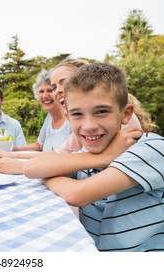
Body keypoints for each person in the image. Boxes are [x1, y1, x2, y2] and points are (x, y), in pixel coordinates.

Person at [23, 63, 164, 252]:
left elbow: (77, 195)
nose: (89, 125)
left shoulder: (151, 148)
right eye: (77, 114)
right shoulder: (90, 156)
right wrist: (104, 158)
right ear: (68, 116)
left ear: (126, 113)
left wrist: (49, 175)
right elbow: (32, 168)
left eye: (101, 112)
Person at [0, 69, 71, 174]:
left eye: (49, 90)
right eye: (41, 91)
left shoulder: (72, 119)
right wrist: (13, 148)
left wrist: (16, 160)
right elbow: (39, 146)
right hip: (47, 174)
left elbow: (63, 156)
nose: (45, 96)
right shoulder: (49, 118)